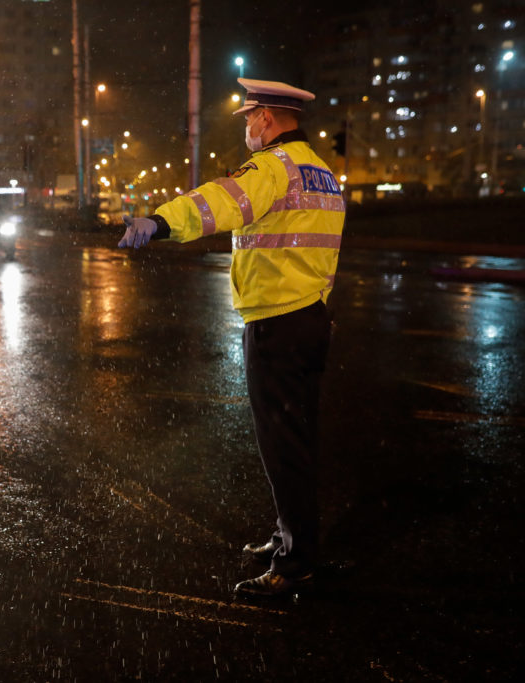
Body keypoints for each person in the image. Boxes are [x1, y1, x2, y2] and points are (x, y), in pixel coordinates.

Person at [118, 78, 345, 597]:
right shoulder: (321, 172)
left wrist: (160, 222)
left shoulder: (272, 167)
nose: (246, 128)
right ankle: (291, 538)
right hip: (311, 316)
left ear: (265, 117)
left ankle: (295, 566)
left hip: (276, 321)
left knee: (282, 445)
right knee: (298, 439)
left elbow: (217, 202)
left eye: (248, 118)